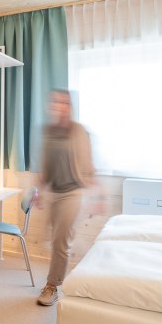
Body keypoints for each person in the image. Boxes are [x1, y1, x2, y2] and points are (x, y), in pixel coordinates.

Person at [35, 89, 98, 306]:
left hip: (73, 192)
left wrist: (97, 197)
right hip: (54, 192)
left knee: (60, 241)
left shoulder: (79, 131)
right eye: (56, 102)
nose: (59, 105)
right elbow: (45, 163)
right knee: (55, 241)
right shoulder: (49, 131)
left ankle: (52, 287)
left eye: (64, 102)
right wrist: (39, 190)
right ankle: (66, 262)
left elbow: (89, 164)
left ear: (70, 107)